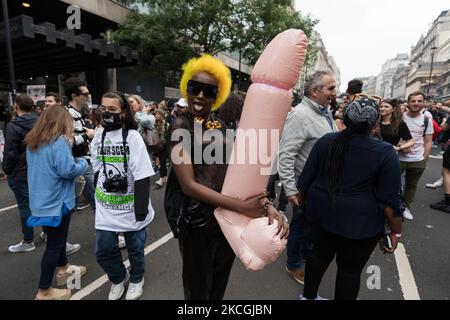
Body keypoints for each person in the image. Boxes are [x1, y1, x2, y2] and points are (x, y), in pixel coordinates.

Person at [166, 54, 288, 300]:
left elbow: (239, 174)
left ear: (217, 95)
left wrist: (265, 205)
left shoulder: (220, 127)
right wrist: (243, 206)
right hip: (196, 223)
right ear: (186, 89)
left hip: (225, 221)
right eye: (194, 88)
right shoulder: (180, 126)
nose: (200, 95)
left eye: (208, 91)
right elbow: (189, 186)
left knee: (218, 284)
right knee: (198, 290)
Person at [297, 97, 403, 300]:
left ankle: (308, 297)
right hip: (361, 225)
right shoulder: (385, 153)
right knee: (350, 271)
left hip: (321, 215)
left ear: (344, 119)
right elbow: (391, 202)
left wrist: (305, 209)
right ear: (374, 124)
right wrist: (395, 231)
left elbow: (305, 181)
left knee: (318, 256)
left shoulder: (326, 141)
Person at [92, 92, 155, 300]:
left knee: (135, 247)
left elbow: (143, 174)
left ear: (123, 112)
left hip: (130, 206)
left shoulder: (133, 137)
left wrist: (140, 210)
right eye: (103, 109)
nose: (106, 113)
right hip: (106, 206)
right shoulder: (99, 135)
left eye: (112, 110)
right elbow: (97, 169)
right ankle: (119, 278)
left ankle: (137, 278)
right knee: (103, 250)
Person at [278, 70, 338, 285]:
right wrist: (291, 189)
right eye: (331, 88)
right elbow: (285, 155)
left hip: (320, 184)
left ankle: (303, 254)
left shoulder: (324, 112)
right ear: (315, 91)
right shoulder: (301, 115)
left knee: (310, 226)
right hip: (306, 185)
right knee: (301, 226)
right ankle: (293, 265)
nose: (335, 92)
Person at [25, 106, 88, 300]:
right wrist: (83, 163)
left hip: (40, 201)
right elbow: (67, 170)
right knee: (54, 243)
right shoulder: (59, 141)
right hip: (58, 201)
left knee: (56, 239)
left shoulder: (33, 142)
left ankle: (64, 268)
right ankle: (44, 291)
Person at [3, 95, 38, 252]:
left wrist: (7, 170)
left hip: (20, 172)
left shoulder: (13, 126)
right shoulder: (40, 122)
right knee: (41, 202)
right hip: (38, 169)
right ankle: (47, 233)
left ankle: (28, 241)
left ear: (16, 107)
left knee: (25, 206)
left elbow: (10, 153)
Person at [398, 91, 433, 220]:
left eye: (419, 101)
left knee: (411, 186)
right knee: (394, 184)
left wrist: (425, 158)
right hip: (398, 157)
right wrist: (401, 144)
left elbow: (428, 141)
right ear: (408, 103)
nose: (416, 103)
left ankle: (406, 207)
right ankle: (394, 207)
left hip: (417, 159)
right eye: (413, 101)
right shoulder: (400, 117)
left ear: (424, 103)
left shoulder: (426, 120)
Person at [63, 77, 96, 214]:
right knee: (97, 200)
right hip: (79, 160)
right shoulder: (67, 114)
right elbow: (67, 141)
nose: (88, 97)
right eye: (85, 94)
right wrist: (87, 135)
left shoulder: (79, 112)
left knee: (73, 202)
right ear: (74, 96)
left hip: (83, 160)